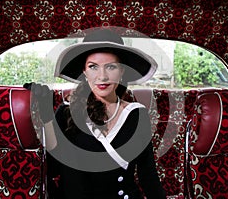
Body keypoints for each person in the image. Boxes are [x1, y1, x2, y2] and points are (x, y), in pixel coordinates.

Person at [25, 27, 166, 199]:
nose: (102, 76)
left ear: (122, 71)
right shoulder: (66, 112)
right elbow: (53, 168)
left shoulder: (137, 115)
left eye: (111, 67)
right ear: (84, 72)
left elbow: (148, 176)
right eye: (93, 67)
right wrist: (47, 115)